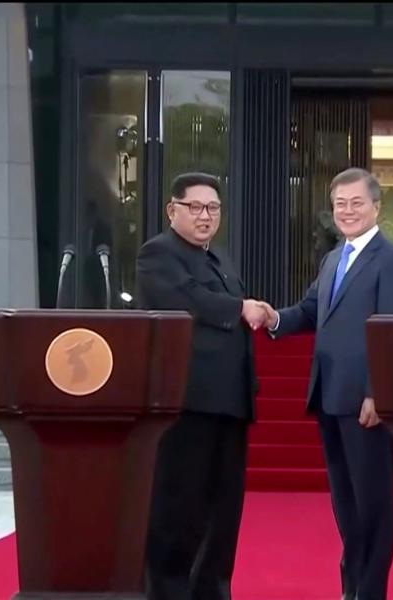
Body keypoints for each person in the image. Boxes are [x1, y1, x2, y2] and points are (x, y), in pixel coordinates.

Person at [258, 167, 393, 600]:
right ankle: (352, 587)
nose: (347, 211)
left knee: (373, 505)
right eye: (340, 204)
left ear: (376, 206)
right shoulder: (333, 259)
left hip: (365, 402)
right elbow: (309, 311)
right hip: (328, 395)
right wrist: (273, 318)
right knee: (346, 505)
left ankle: (370, 592)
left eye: (356, 203)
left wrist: (378, 390)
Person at [136, 172, 268, 600]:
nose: (205, 216)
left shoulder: (220, 258)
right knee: (180, 508)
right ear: (172, 210)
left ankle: (211, 591)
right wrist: (240, 306)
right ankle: (168, 592)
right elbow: (186, 299)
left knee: (223, 510)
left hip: (229, 403)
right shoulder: (159, 253)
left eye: (213, 208)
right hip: (186, 402)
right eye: (195, 207)